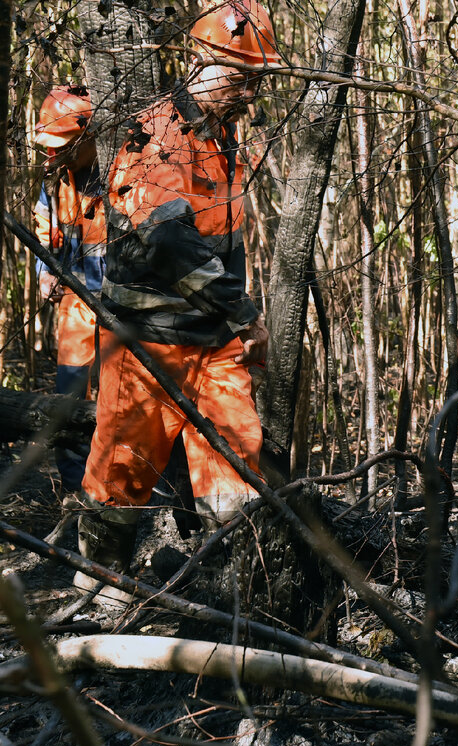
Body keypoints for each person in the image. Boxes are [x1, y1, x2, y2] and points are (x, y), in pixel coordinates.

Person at [72, 0, 280, 606]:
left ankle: (233, 608)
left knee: (238, 476)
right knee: (119, 476)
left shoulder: (226, 141)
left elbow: (224, 243)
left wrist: (235, 323)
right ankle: (98, 594)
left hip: (212, 346)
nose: (249, 91)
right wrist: (245, 314)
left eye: (256, 79)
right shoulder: (157, 137)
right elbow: (168, 242)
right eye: (240, 76)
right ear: (202, 61)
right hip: (147, 347)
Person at [32, 87, 105, 493]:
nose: (54, 154)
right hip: (76, 304)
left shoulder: (125, 170)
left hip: (122, 308)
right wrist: (46, 270)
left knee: (122, 397)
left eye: (64, 146)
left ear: (89, 136)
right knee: (70, 395)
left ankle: (128, 492)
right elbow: (46, 230)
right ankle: (76, 491)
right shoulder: (54, 175)